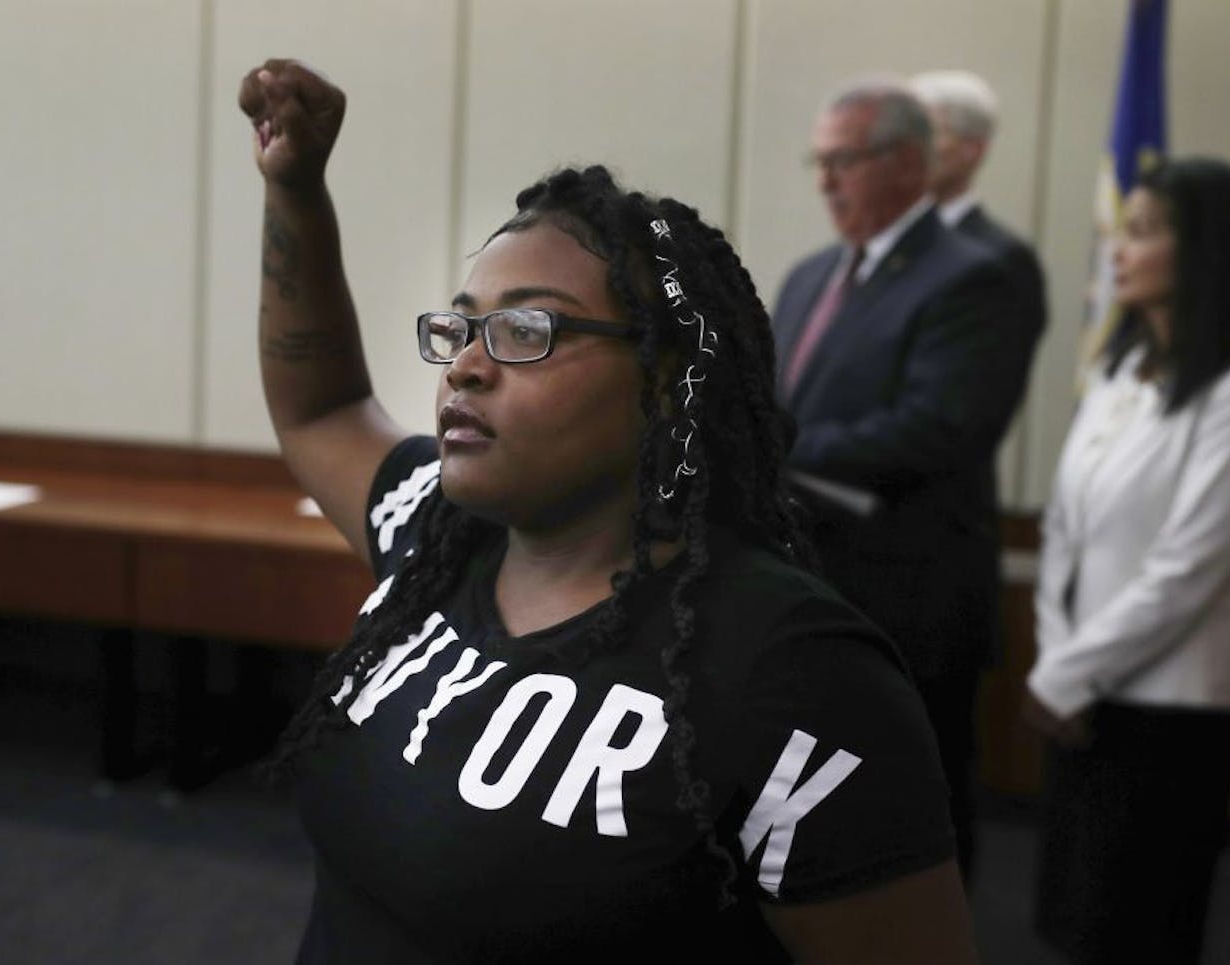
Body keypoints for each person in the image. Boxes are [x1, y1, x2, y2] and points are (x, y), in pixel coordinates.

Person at [239, 59, 978, 964]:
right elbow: (319, 406)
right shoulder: (437, 529)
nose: (465, 365)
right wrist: (298, 189)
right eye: (463, 327)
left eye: (526, 330)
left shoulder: (791, 674)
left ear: (666, 380)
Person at [1025, 157, 1230, 965]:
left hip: (1169, 709)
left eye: (1143, 232)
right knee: (1072, 923)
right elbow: (1063, 534)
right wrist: (1059, 663)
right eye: (1121, 230)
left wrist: (1068, 675)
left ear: (1208, 251)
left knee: (1138, 929)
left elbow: (1189, 566)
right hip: (1081, 695)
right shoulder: (1116, 374)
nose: (1118, 249)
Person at [773, 79, 1037, 883]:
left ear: (908, 163)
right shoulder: (811, 274)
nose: (824, 181)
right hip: (803, 580)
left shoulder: (974, 274)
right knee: (806, 807)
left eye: (842, 160)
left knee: (917, 812)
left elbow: (942, 427)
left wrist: (774, 451)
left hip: (909, 597)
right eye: (818, 161)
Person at [908, 69, 1047, 356]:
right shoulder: (878, 248)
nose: (911, 150)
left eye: (928, 133)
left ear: (973, 149)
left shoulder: (1002, 257)